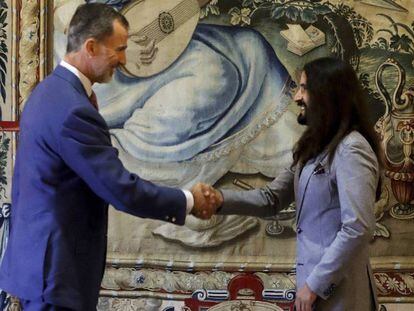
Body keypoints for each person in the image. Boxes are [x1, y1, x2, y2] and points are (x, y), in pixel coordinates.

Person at [0, 4, 218, 310]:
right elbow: (121, 189)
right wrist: (189, 201)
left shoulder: (48, 91)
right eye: (119, 49)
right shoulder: (73, 110)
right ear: (91, 46)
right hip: (56, 276)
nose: (124, 60)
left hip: (41, 269)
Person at [207, 57, 381, 311]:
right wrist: (217, 200)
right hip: (316, 292)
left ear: (326, 94)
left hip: (342, 294)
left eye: (303, 88)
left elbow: (357, 227)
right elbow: (271, 198)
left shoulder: (351, 148)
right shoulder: (314, 147)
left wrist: (314, 285)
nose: (297, 97)